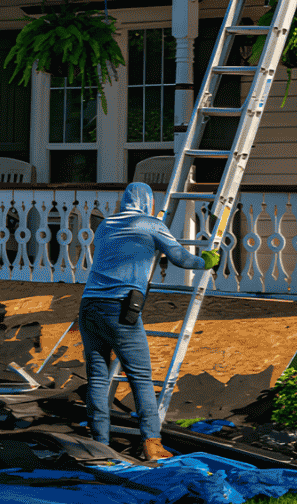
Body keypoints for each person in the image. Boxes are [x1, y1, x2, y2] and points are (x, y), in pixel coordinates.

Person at [78, 182, 220, 461]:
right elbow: (181, 259)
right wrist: (206, 261)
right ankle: (152, 445)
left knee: (97, 377)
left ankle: (99, 444)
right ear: (147, 203)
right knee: (141, 378)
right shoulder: (150, 223)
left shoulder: (106, 225)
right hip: (119, 308)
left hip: (88, 305)